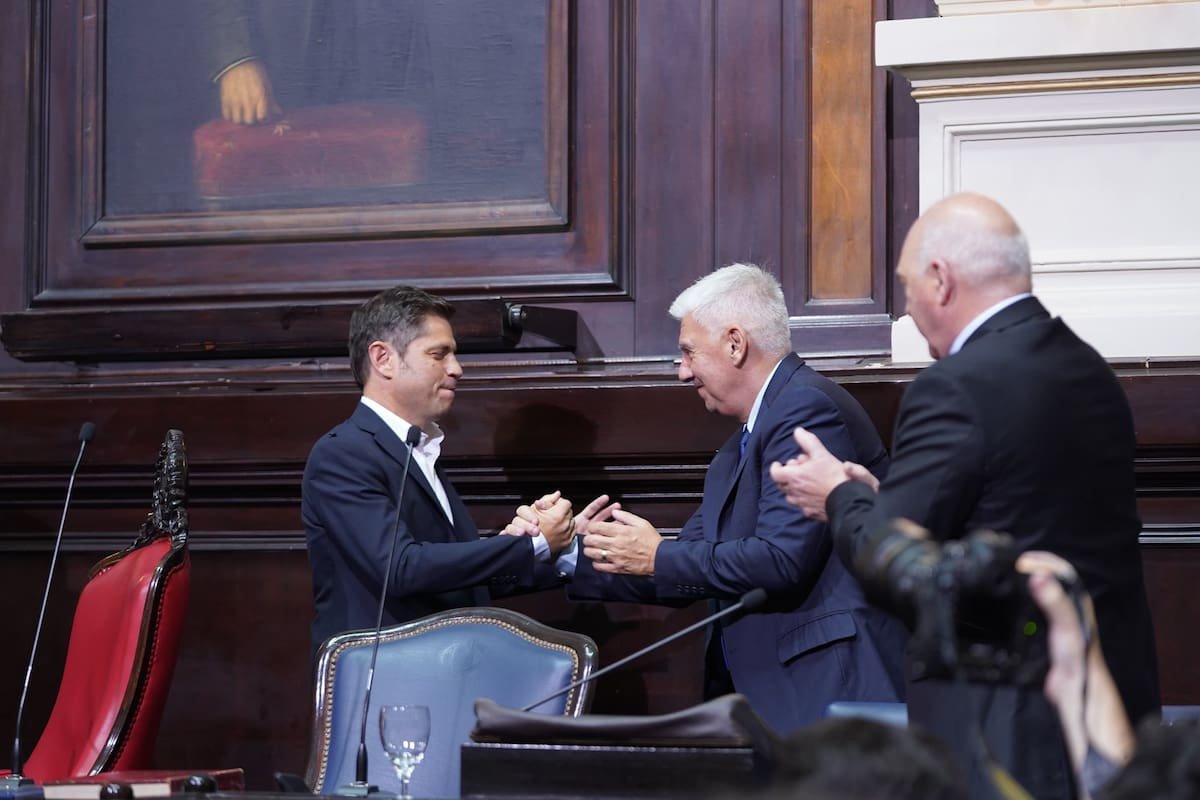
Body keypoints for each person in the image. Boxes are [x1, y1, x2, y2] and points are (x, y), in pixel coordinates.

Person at [769, 193, 1160, 798]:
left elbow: (893, 565)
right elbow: (1016, 509)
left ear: (940, 279)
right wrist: (884, 498)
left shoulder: (954, 387)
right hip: (1105, 713)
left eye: (906, 288)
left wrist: (838, 497)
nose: (907, 310)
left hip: (1002, 729)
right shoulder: (1089, 369)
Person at [512, 263, 908, 733]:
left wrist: (656, 556)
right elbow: (683, 566)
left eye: (688, 352)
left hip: (827, 690)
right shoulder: (737, 449)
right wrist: (565, 550)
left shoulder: (804, 407)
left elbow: (782, 561)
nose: (682, 373)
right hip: (771, 698)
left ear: (735, 344)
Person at [301, 286, 574, 656]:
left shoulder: (418, 448)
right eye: (438, 354)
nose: (456, 369)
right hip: (383, 677)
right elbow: (402, 568)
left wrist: (556, 544)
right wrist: (528, 545)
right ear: (383, 359)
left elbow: (458, 579)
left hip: (444, 667)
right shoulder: (343, 454)